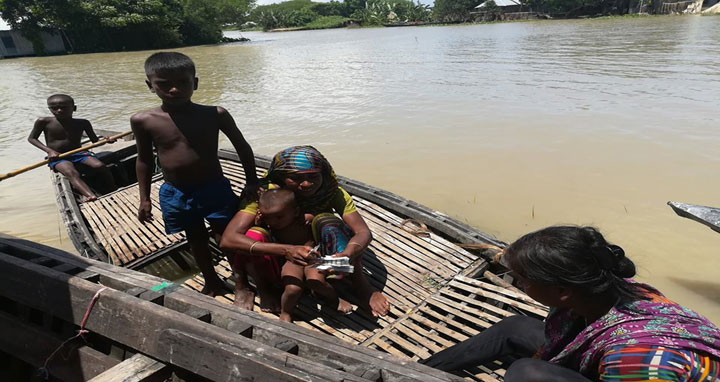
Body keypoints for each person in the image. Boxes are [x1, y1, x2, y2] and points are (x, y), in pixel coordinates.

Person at [420, 225, 720, 381]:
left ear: (563, 291)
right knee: (516, 326)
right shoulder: (606, 291)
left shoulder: (634, 359)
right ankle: (417, 371)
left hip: (637, 369)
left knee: (526, 373)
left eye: (522, 281)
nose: (519, 286)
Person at [131, 52, 259, 296]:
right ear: (150, 86)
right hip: (176, 190)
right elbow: (144, 160)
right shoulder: (143, 120)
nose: (175, 90)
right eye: (164, 84)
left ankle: (242, 283)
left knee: (228, 235)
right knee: (195, 237)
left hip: (213, 186)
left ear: (196, 83)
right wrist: (144, 199)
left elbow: (242, 147)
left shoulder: (215, 114)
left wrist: (251, 181)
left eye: (183, 82)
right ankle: (211, 281)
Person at [220, 145, 390, 317]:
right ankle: (264, 286)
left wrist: (348, 253)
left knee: (328, 222)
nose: (307, 184)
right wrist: (287, 250)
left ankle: (359, 283)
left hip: (315, 253)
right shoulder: (265, 194)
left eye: (314, 176)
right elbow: (229, 239)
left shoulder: (331, 191)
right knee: (254, 235)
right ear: (282, 178)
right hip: (277, 253)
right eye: (295, 178)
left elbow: (363, 232)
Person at [250, 188, 353, 322]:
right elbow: (262, 232)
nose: (273, 222)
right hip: (292, 260)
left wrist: (312, 217)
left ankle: (335, 299)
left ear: (296, 211)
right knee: (293, 289)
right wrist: (258, 222)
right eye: (268, 217)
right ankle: (286, 312)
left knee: (316, 282)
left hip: (313, 256)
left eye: (278, 217)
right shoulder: (270, 226)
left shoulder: (303, 219)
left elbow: (319, 219)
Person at [28, 94, 116, 201]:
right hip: (59, 157)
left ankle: (113, 188)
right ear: (49, 109)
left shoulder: (83, 123)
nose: (59, 110)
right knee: (71, 172)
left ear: (74, 108)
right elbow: (32, 138)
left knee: (99, 165)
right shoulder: (43, 122)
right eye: (54, 108)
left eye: (64, 107)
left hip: (79, 153)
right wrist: (50, 151)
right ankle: (90, 195)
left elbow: (95, 141)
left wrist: (107, 141)